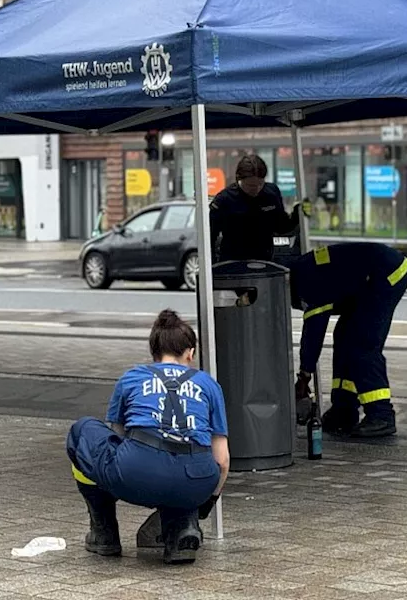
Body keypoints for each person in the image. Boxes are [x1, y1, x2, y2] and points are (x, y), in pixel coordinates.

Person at [66, 309, 230, 565]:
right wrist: (204, 504)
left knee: (82, 431)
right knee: (186, 461)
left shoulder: (131, 378)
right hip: (196, 482)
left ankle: (104, 533)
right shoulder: (209, 385)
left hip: (137, 474)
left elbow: (115, 440)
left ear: (154, 353)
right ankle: (182, 527)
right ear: (191, 352)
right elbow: (222, 460)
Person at [288, 242, 407, 438]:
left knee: (362, 344)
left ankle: (381, 415)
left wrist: (305, 373)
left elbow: (314, 331)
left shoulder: (305, 282)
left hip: (384, 273)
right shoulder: (299, 271)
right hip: (367, 280)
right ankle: (344, 409)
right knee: (344, 339)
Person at [208, 154, 307, 263]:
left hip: (264, 261)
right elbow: (210, 237)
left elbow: (281, 226)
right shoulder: (224, 200)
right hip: (233, 263)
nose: (256, 189)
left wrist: (297, 215)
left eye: (260, 184)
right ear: (239, 179)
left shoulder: (271, 193)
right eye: (250, 185)